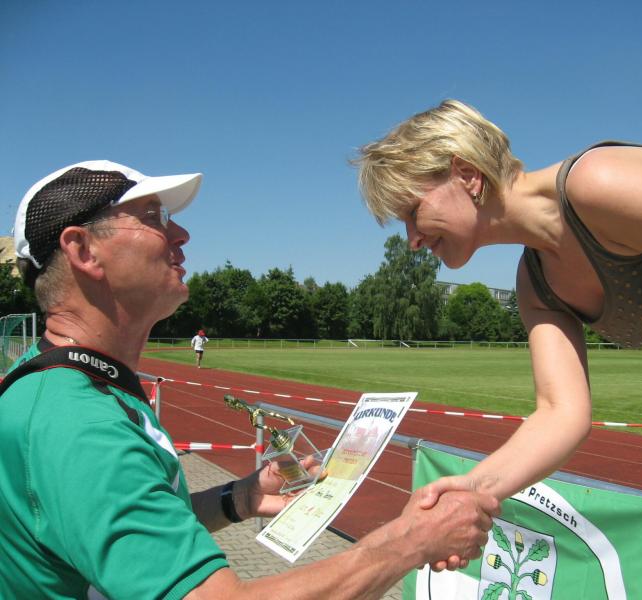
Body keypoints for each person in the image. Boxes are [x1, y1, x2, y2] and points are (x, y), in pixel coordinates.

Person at [355, 100, 642, 599]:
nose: (412, 240)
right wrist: (471, 491)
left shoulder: (597, 184)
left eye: (412, 212)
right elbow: (561, 412)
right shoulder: (536, 283)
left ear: (467, 175)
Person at [0, 160, 499, 599]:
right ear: (83, 250)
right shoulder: (78, 424)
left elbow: (131, 535)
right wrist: (409, 541)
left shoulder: (71, 386)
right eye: (154, 218)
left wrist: (239, 499)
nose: (181, 235)